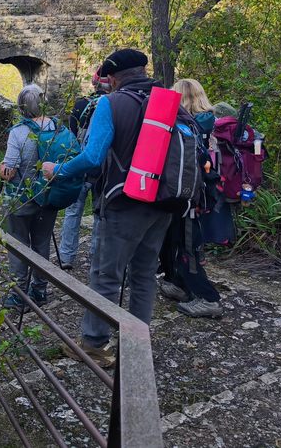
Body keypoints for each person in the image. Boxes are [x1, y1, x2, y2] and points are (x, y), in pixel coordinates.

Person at [41, 48, 172, 368]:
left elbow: (92, 157)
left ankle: (95, 344)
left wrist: (57, 170)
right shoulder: (168, 101)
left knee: (106, 274)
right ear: (143, 71)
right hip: (163, 203)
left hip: (123, 203)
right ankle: (136, 343)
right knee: (144, 275)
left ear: (112, 78)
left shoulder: (110, 104)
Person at [156, 79, 223, 318]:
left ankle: (208, 298)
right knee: (177, 240)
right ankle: (177, 282)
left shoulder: (186, 125)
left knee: (188, 246)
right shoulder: (211, 122)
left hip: (187, 196)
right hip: (203, 194)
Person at [0, 84, 62, 310]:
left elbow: (10, 171)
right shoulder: (56, 128)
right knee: (42, 242)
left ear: (21, 106)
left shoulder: (18, 132)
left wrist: (0, 167)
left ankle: (19, 295)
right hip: (49, 195)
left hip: (21, 198)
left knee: (18, 244)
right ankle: (39, 290)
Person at [57, 67, 111, 270]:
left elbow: (71, 136)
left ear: (94, 83)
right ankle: (95, 257)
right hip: (102, 168)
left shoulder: (81, 104)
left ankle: (66, 256)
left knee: (73, 211)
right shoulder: (113, 106)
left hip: (78, 165)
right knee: (99, 214)